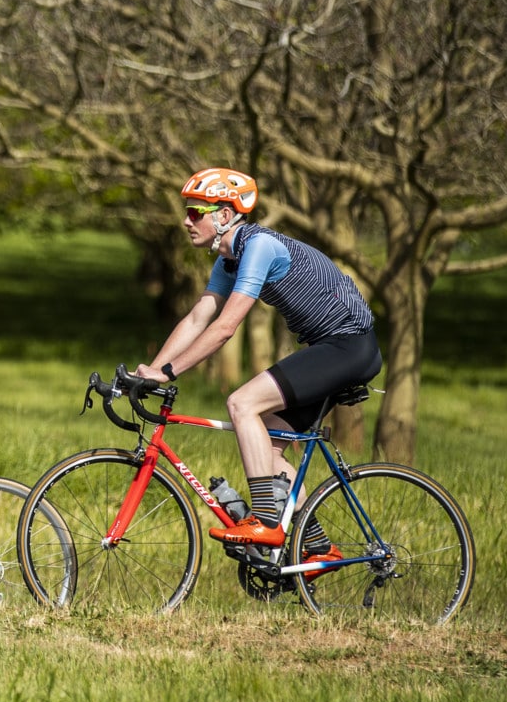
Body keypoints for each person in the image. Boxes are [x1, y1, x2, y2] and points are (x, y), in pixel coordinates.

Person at [135, 168, 380, 557]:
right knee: (265, 443)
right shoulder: (229, 260)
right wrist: (149, 372)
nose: (186, 220)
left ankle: (265, 519)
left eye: (196, 211)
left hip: (347, 345)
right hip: (333, 347)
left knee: (241, 403)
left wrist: (168, 374)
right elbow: (200, 317)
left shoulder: (259, 247)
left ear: (225, 215)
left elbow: (224, 328)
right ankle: (317, 547)